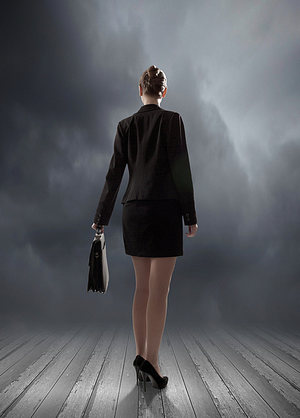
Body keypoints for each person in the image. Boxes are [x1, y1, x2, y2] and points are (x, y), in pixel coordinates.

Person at [92, 65, 197, 390]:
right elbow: (181, 170)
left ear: (141, 90)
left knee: (142, 289)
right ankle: (151, 360)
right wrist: (189, 215)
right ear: (163, 92)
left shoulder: (126, 126)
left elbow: (114, 176)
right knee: (159, 291)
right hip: (164, 210)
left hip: (134, 210)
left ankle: (140, 357)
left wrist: (101, 216)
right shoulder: (172, 120)